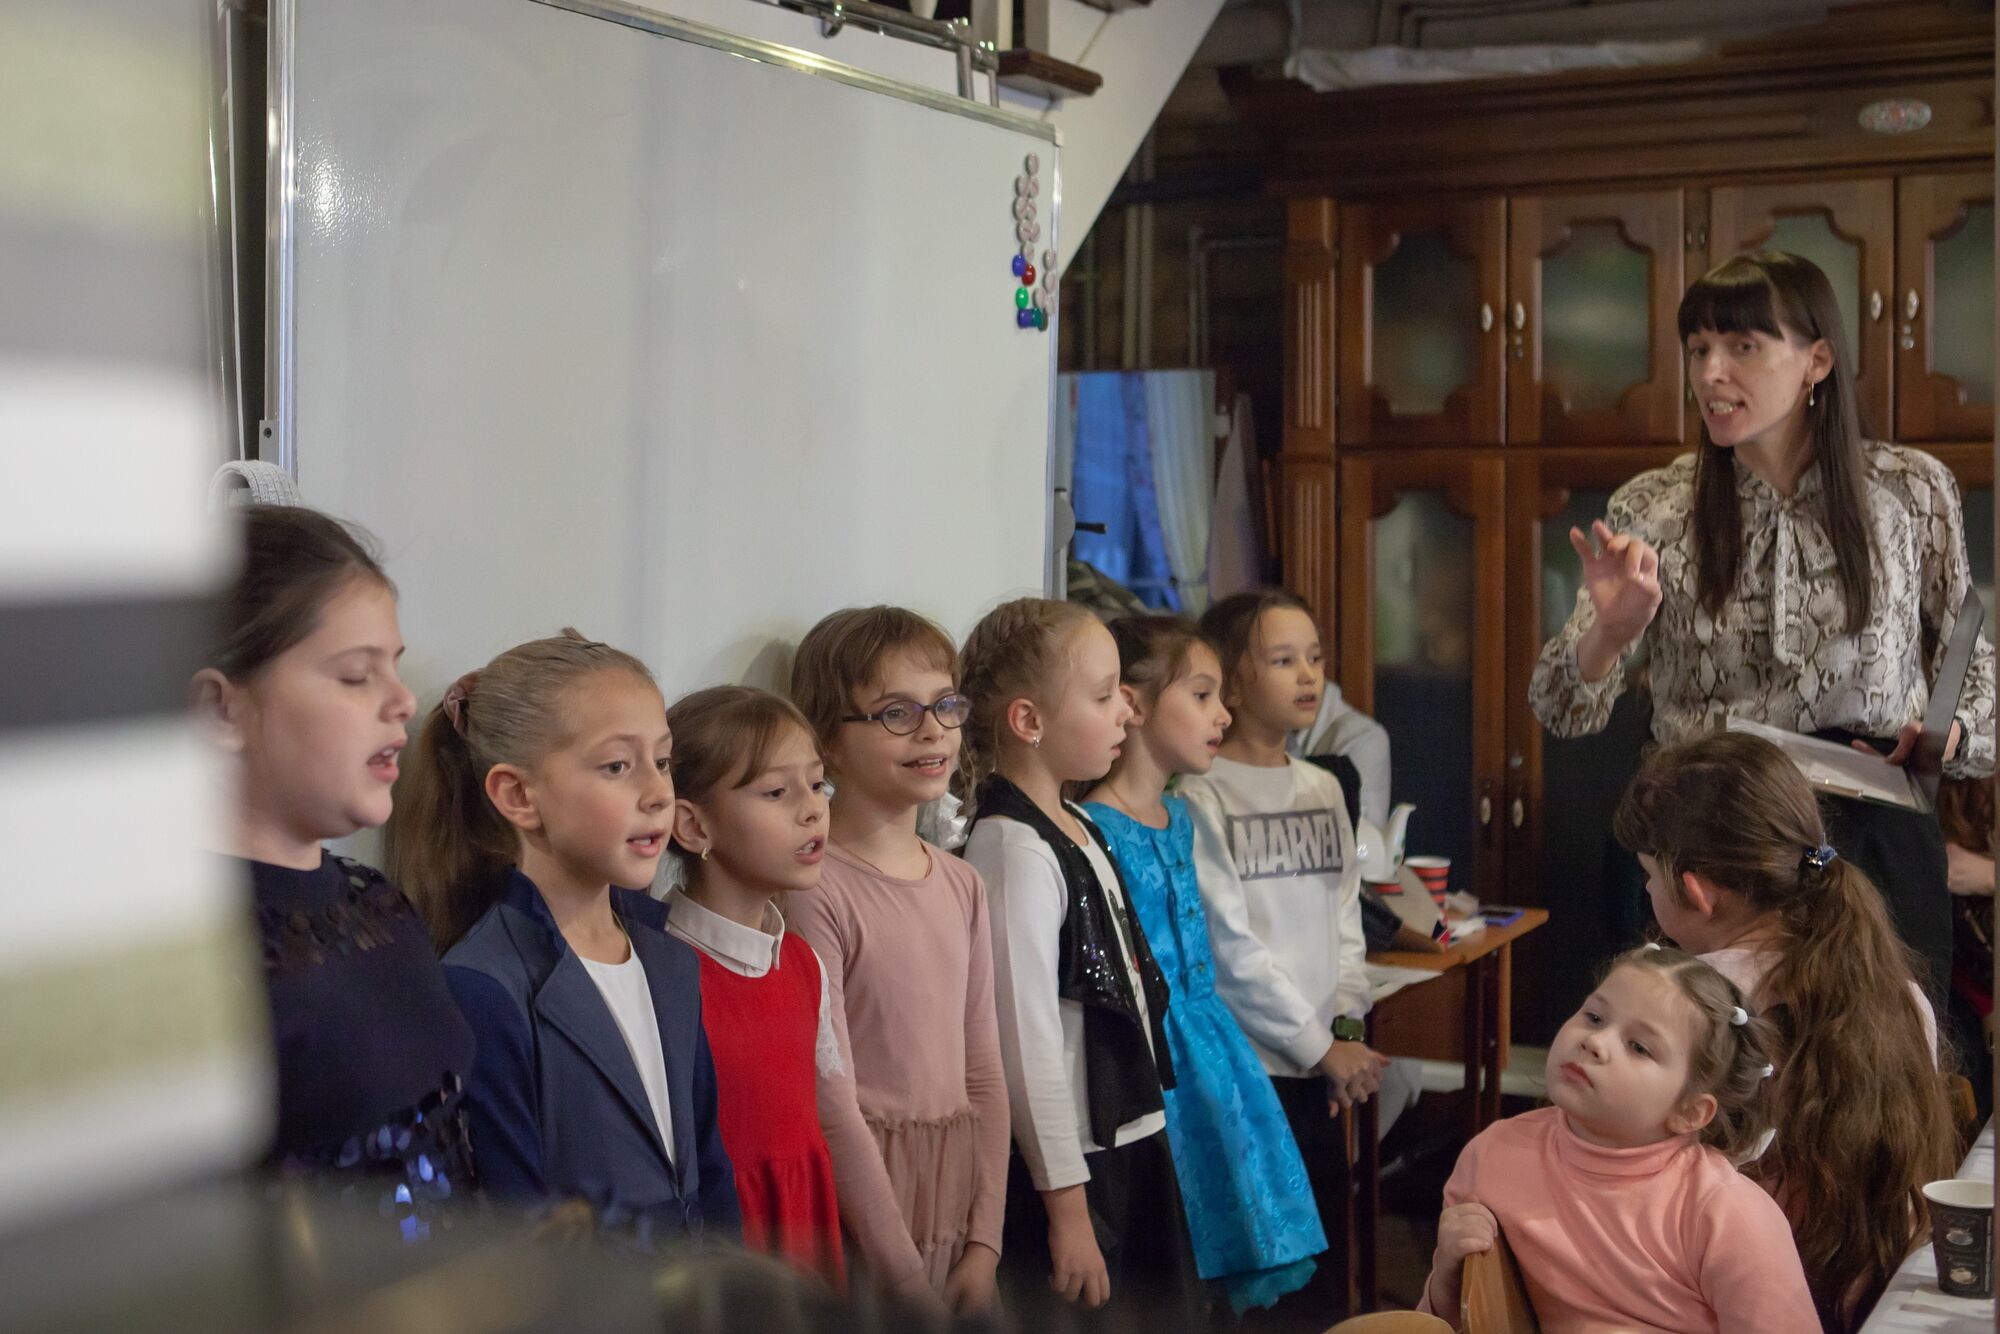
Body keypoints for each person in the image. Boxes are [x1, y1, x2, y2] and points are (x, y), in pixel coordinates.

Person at [1531, 250, 1996, 998]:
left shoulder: (1912, 490)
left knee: (1873, 1057)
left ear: (1817, 361)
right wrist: (1610, 632)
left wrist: (1955, 735)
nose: (1711, 373)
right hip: (1701, 838)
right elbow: (1560, 706)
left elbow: (1972, 663)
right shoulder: (1653, 504)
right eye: (1698, 350)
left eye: (1743, 346)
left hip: (1870, 836)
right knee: (1701, 1055)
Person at [386, 630, 738, 1243]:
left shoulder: (671, 961)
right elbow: (520, 1220)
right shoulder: (485, 986)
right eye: (617, 766)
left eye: (662, 761)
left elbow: (709, 1168)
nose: (658, 793)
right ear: (519, 795)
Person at [1615, 732, 1960, 1326]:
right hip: (1872, 1306)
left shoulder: (1680, 1003)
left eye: (1649, 873)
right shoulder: (1902, 995)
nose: (1647, 890)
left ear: (1696, 891)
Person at [193, 504, 474, 1234]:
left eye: (396, 667)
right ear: (221, 709)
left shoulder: (375, 903)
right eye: (356, 675)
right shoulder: (182, 959)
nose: (402, 701)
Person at [957, 597, 1199, 1325]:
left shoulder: (1080, 823)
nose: (1127, 710)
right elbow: (1025, 1043)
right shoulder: (1013, 850)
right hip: (1072, 1167)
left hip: (1127, 1137)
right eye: (1102, 696)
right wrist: (1067, 1208)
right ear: (1028, 721)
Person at [1082, 614, 1327, 1314]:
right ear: (1134, 704)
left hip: (1213, 1049)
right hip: (1152, 1060)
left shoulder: (1182, 816)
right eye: (1201, 695)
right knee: (1169, 1261)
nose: (1222, 714)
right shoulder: (1094, 828)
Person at [786, 607, 1009, 1316]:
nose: (933, 730)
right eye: (896, 713)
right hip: (867, 1208)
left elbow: (984, 1069)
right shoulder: (814, 891)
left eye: (945, 705)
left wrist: (986, 1242)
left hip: (956, 1196)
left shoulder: (962, 883)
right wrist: (906, 1282)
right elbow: (832, 1097)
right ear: (828, 739)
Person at [1179, 590, 1393, 1321]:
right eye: (1282, 660)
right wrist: (1317, 1047)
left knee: (1321, 1270)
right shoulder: (1201, 793)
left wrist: (1345, 1032)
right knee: (1263, 1274)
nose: (1308, 674)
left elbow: (1345, 924)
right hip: (1247, 1069)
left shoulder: (1325, 787)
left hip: (1319, 1064)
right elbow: (1227, 949)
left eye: (1314, 657)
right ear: (1232, 685)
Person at [1417, 946, 1816, 1333]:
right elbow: (1451, 1320)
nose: (1595, 1042)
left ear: (1691, 1112)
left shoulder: (1728, 1214)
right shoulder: (1492, 1155)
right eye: (1594, 1017)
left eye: (1638, 1047)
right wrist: (1446, 1279)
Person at [664, 686, 845, 1286]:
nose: (812, 810)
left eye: (817, 784)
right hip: (724, 1252)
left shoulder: (803, 962)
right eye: (776, 792)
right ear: (693, 825)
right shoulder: (664, 973)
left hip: (806, 1234)